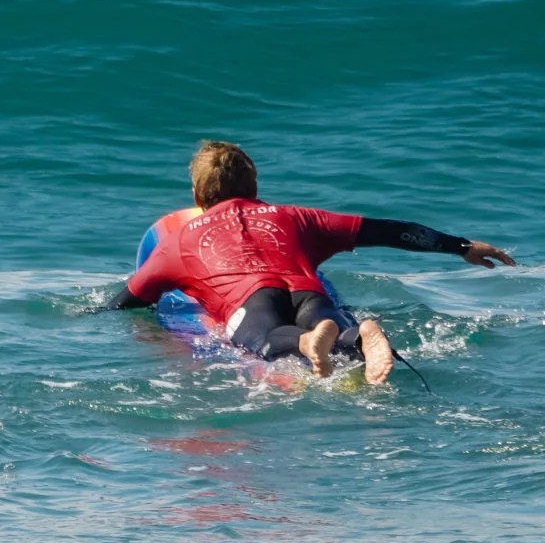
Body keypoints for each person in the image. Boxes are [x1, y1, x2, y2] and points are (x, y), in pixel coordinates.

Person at [103, 140, 514, 386]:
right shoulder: (297, 217)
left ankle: (303, 343)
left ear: (197, 194)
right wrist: (461, 246)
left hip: (250, 301)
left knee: (265, 342)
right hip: (307, 289)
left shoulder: (178, 243)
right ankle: (358, 336)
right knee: (328, 326)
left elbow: (128, 300)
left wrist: (87, 312)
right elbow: (388, 230)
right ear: (256, 186)